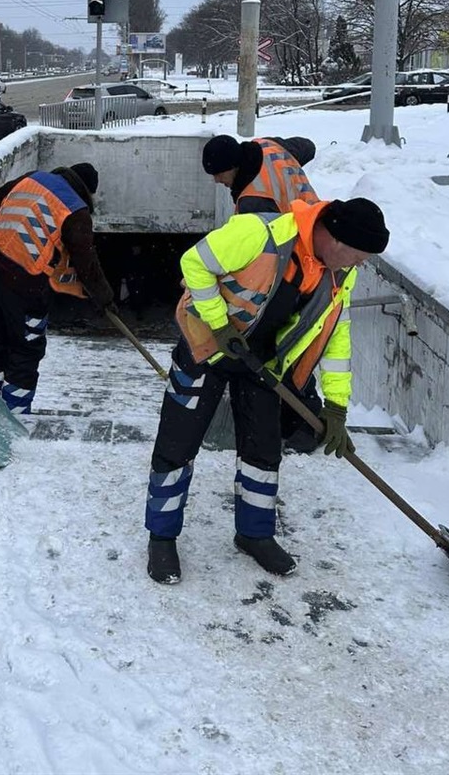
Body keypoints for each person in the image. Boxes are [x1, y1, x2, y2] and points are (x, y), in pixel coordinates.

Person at [145, 195, 390, 584]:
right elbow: (194, 263)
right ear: (336, 239)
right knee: (178, 443)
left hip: (262, 363)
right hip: (205, 346)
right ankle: (161, 537)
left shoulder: (340, 272)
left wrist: (336, 405)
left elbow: (336, 334)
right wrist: (219, 324)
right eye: (359, 256)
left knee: (263, 450)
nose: (359, 265)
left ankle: (254, 534)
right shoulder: (260, 234)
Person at [202, 133, 323, 452]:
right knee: (290, 344)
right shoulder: (268, 145)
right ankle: (300, 421)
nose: (217, 181)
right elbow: (306, 146)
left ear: (234, 167)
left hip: (297, 268)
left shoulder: (253, 203)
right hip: (317, 243)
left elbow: (256, 255)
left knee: (281, 345)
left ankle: (305, 426)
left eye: (219, 174)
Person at [0, 162, 114, 415]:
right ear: (87, 191)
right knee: (25, 350)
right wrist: (104, 298)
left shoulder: (32, 178)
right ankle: (15, 417)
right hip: (24, 282)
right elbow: (87, 264)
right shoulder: (75, 210)